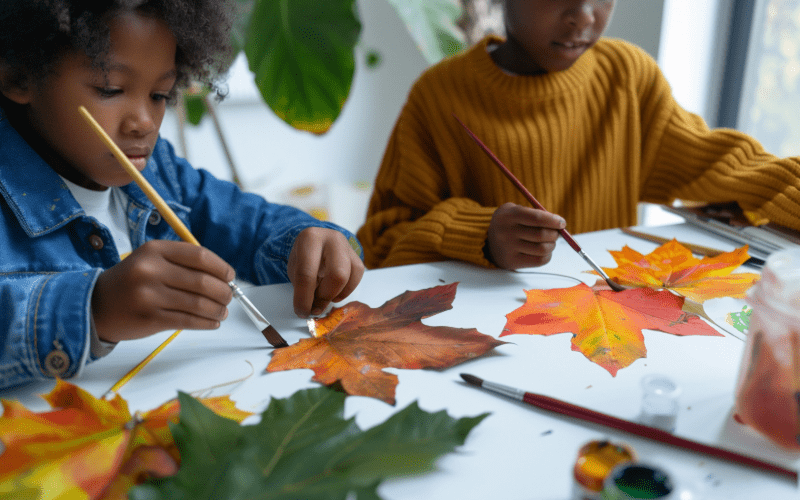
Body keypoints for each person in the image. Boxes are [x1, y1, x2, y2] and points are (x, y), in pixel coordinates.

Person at [0, 1, 365, 390]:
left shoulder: (163, 172)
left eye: (159, 94)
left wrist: (308, 244)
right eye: (111, 89)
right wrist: (95, 309)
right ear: (20, 75)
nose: (143, 122)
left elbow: (253, 223)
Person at [357, 0, 800, 271]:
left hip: (602, 336)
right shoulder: (440, 95)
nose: (585, 15)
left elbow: (728, 167)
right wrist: (480, 235)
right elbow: (379, 245)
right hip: (489, 338)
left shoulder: (625, 76)